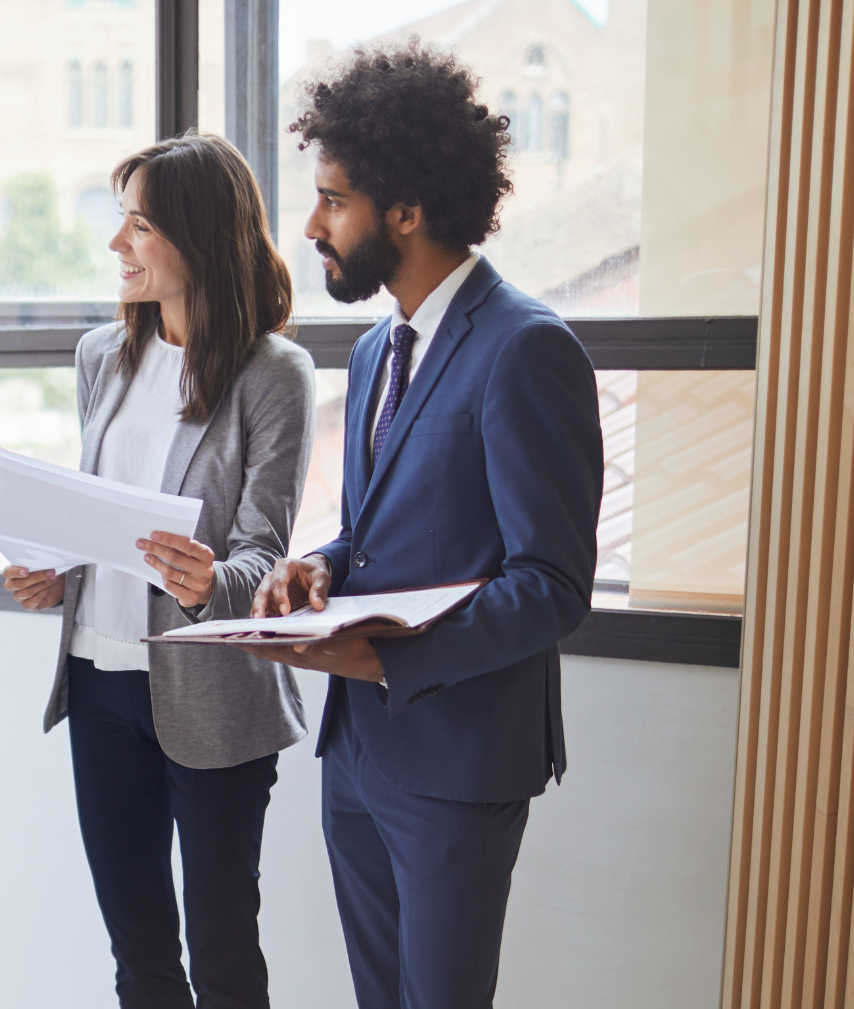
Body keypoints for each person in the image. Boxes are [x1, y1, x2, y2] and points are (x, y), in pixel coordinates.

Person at [246, 42, 604, 1009]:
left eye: (333, 200)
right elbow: (379, 531)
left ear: (405, 211)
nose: (312, 224)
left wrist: (386, 659)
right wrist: (316, 568)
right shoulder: (375, 351)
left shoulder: (526, 349)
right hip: (356, 751)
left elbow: (552, 584)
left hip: (456, 756)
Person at [1, 132, 314, 1009]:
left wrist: (202, 581)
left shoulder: (273, 373)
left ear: (198, 235)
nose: (117, 246)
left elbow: (263, 556)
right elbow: (97, 515)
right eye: (121, 222)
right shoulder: (101, 354)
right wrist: (54, 573)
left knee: (221, 953)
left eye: (137, 226)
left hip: (209, 694)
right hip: (99, 684)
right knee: (137, 951)